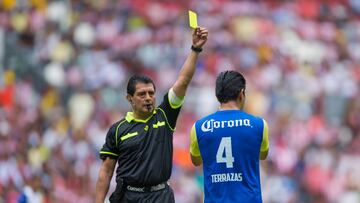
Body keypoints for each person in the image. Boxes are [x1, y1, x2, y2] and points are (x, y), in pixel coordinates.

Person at [95, 27, 208, 203]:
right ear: (129, 98)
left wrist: (195, 49)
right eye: (142, 94)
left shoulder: (165, 115)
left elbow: (183, 81)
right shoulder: (118, 130)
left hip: (160, 196)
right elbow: (106, 171)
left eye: (151, 93)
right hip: (128, 197)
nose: (148, 98)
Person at [189, 70, 269, 203]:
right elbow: (262, 155)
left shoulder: (199, 127)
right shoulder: (259, 125)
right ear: (242, 93)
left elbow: (196, 161)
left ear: (217, 95)